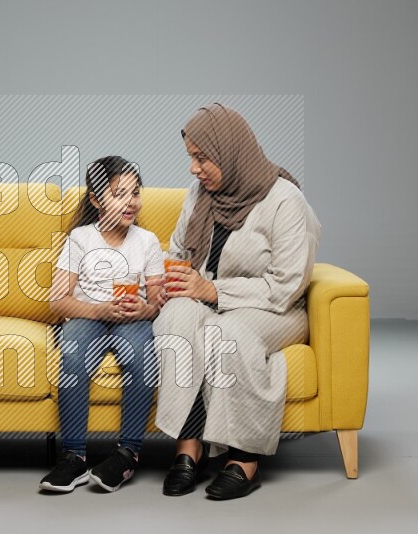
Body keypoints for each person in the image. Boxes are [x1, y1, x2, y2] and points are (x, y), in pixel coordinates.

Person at [150, 103, 321, 500]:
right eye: (191, 158)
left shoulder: (285, 200)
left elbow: (288, 285)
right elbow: (180, 250)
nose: (194, 168)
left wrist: (214, 291)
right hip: (214, 298)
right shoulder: (200, 194)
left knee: (227, 331)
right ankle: (188, 447)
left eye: (201, 157)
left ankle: (244, 458)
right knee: (177, 316)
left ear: (230, 151)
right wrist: (169, 280)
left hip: (273, 309)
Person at [39, 156, 164, 493]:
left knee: (142, 358)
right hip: (88, 315)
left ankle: (127, 454)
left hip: (131, 319)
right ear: (96, 200)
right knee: (74, 358)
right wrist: (100, 311)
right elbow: (57, 301)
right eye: (119, 193)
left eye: (135, 193)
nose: (131, 201)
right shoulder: (80, 238)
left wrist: (144, 309)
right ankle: (74, 458)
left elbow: (157, 303)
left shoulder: (147, 241)